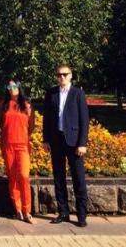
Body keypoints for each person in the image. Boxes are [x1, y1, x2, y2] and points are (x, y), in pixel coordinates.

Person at [42, 64, 90, 227]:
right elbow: (47, 118)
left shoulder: (78, 93)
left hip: (74, 142)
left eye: (64, 74)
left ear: (71, 75)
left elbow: (84, 119)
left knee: (78, 178)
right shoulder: (51, 93)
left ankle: (81, 214)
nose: (61, 77)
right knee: (58, 177)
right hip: (56, 140)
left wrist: (82, 143)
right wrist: (45, 139)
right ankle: (63, 212)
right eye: (59, 75)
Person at [0, 77, 35, 224]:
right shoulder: (2, 105)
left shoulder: (26, 105)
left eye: (14, 86)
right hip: (8, 145)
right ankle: (18, 209)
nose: (12, 89)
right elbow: (1, 124)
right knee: (12, 177)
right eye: (9, 87)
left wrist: (22, 136)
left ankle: (27, 211)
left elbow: (31, 126)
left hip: (22, 145)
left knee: (24, 176)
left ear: (19, 87)